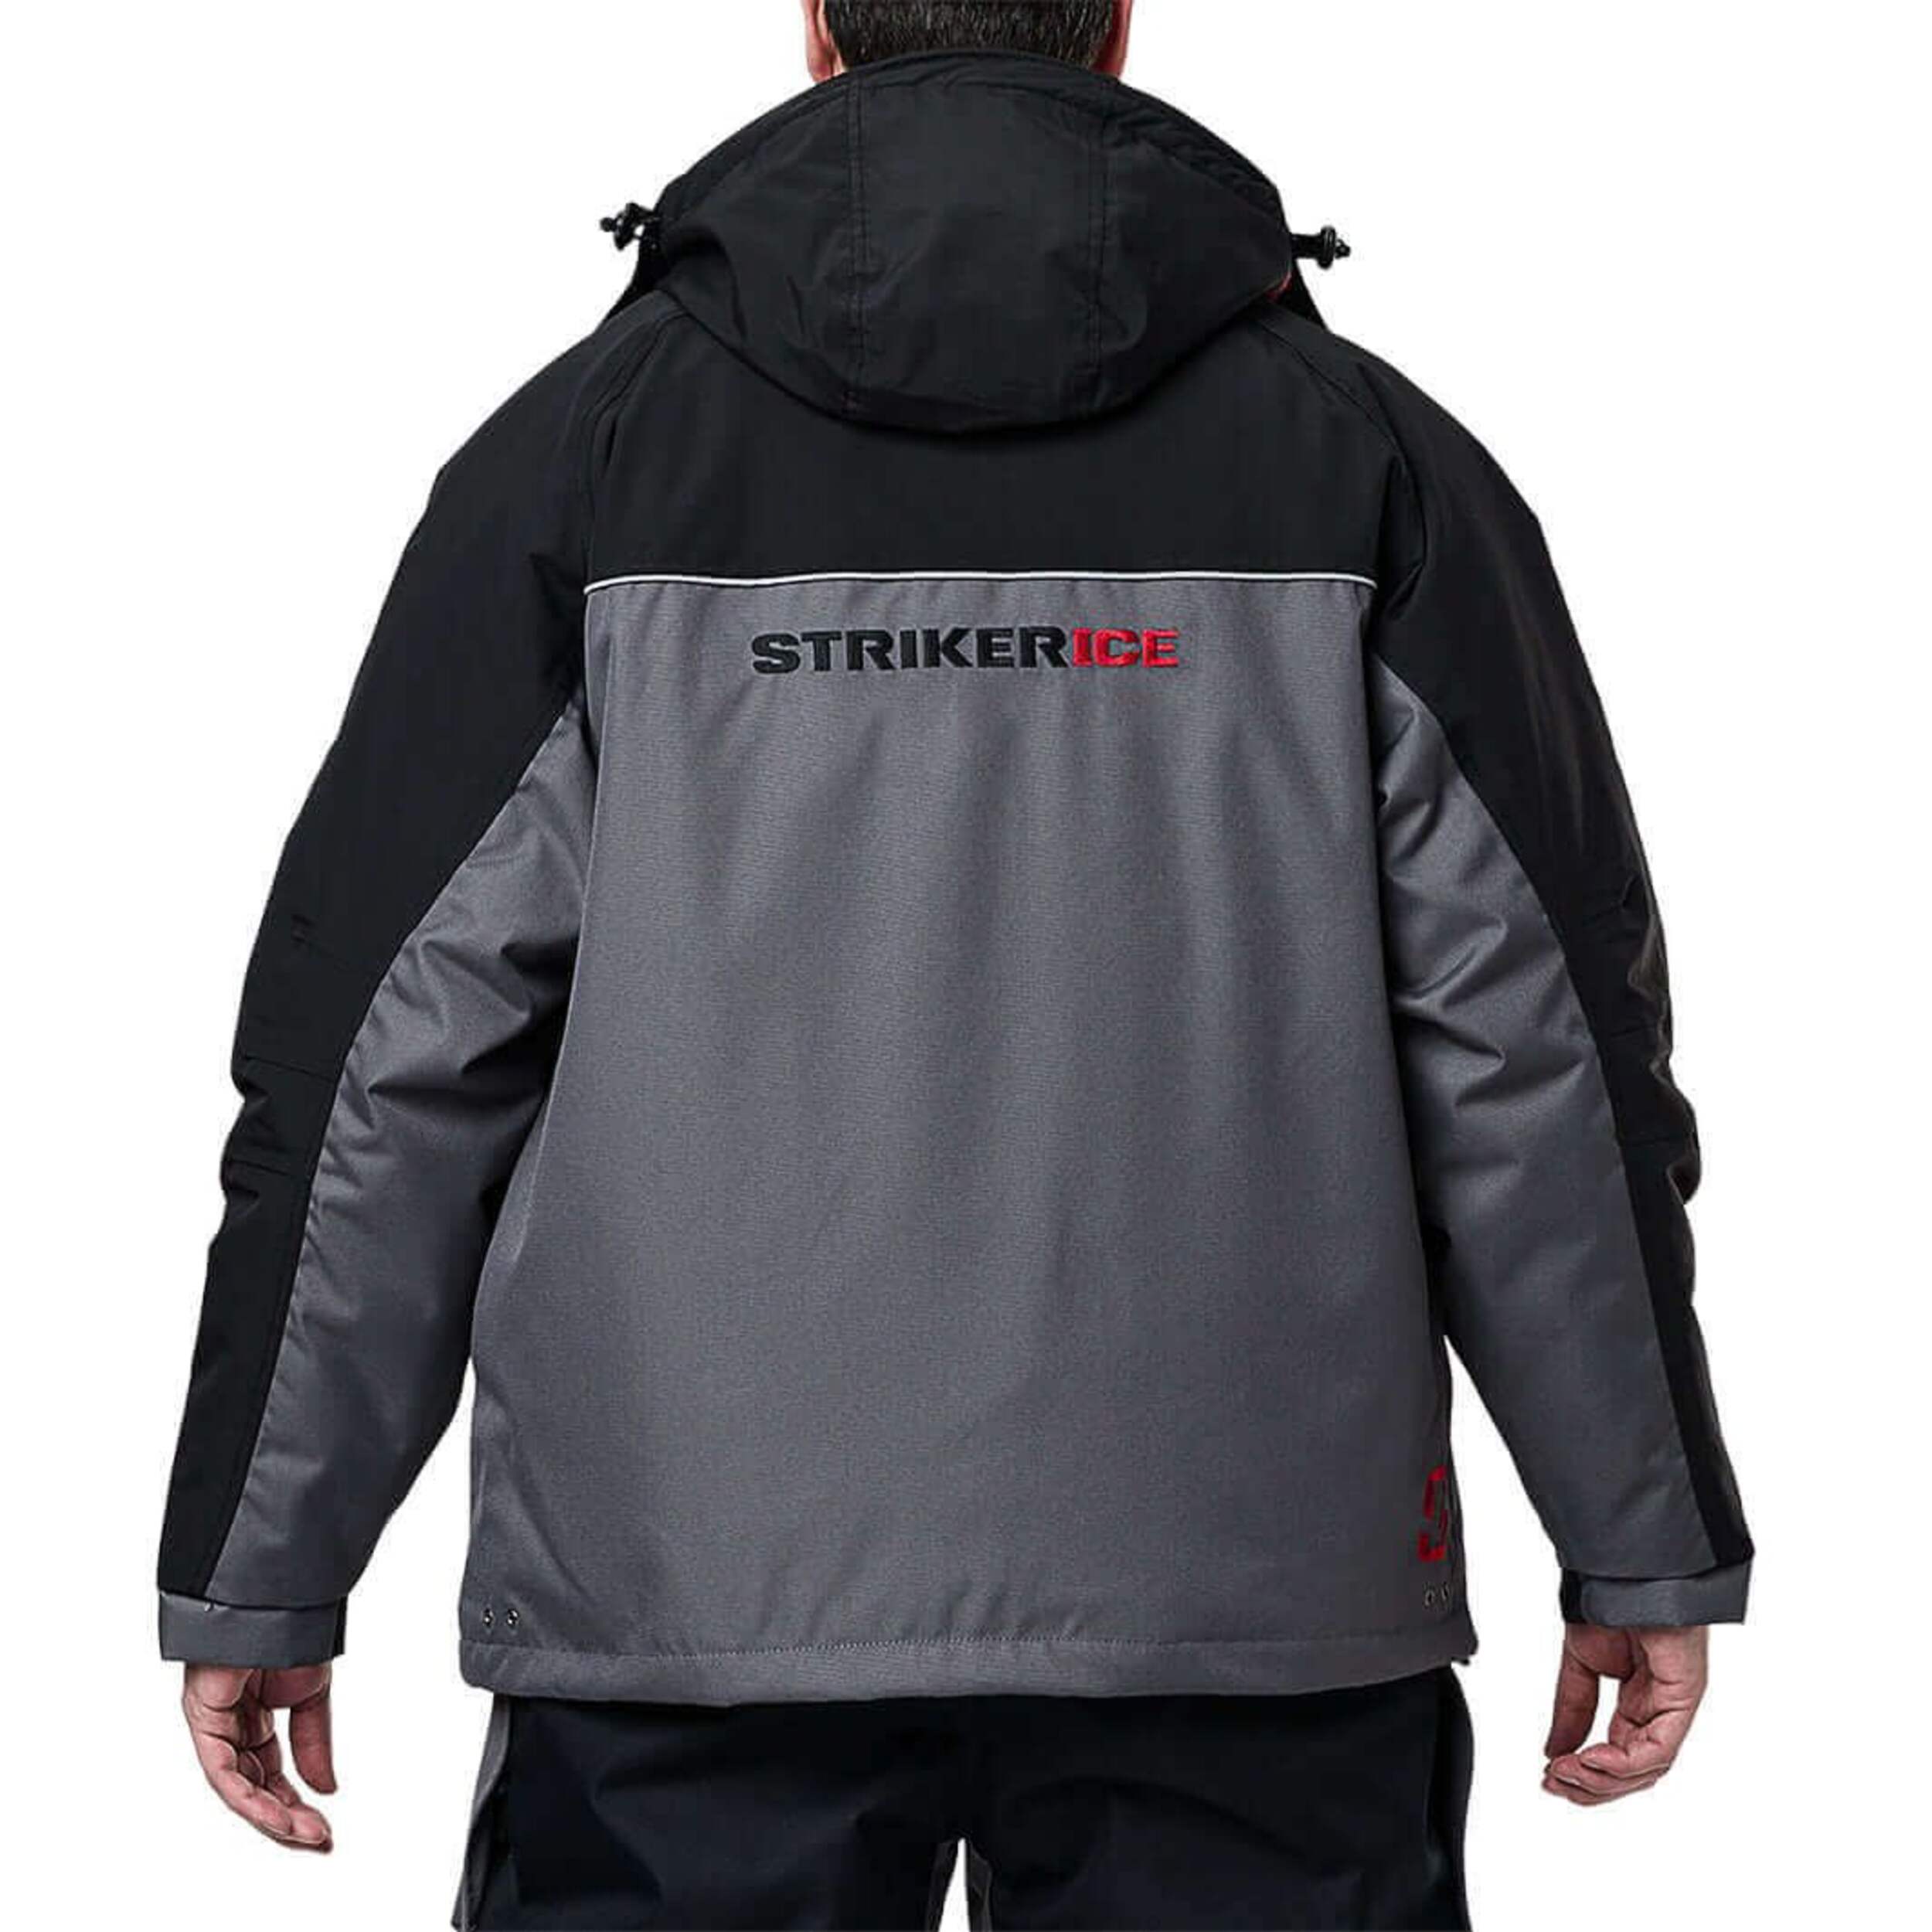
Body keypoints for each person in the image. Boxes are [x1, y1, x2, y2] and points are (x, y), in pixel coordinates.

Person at [158, 2, 1752, 1924]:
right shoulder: (1366, 463)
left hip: (690, 1599)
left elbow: (380, 1061)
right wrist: (1635, 1531)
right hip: (1249, 1595)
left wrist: (266, 1558)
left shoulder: (581, 459)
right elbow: (1540, 1053)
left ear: (816, 30)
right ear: (1118, 26)